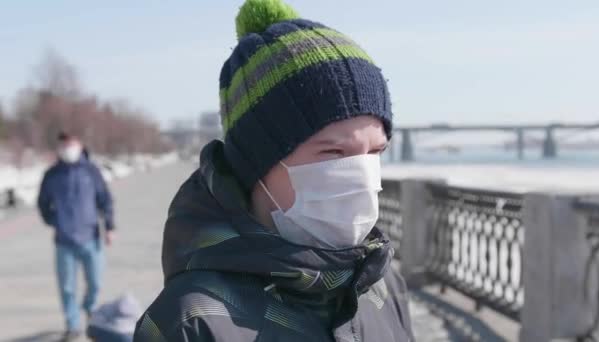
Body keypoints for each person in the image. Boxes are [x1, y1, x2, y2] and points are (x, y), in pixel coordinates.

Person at [134, 0, 414, 341]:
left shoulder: (381, 285)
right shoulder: (192, 321)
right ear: (258, 164)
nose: (361, 174)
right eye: (333, 152)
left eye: (375, 151)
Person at [37, 132, 115, 341]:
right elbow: (43, 203)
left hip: (91, 238)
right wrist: (54, 221)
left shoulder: (91, 172)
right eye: (64, 145)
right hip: (64, 242)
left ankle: (90, 307)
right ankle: (72, 324)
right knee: (67, 287)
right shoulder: (52, 175)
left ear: (80, 145)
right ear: (59, 147)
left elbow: (105, 200)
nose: (67, 149)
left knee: (96, 282)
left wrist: (109, 227)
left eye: (71, 144)